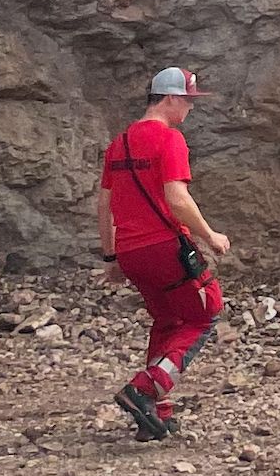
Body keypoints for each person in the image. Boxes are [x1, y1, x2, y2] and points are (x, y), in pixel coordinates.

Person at [98, 68, 230, 441]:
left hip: (130, 251)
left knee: (168, 321)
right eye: (188, 100)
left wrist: (111, 258)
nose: (190, 108)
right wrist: (210, 236)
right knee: (205, 313)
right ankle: (145, 389)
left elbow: (104, 206)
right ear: (170, 98)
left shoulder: (119, 144)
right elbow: (177, 198)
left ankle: (155, 413)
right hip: (165, 247)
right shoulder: (169, 140)